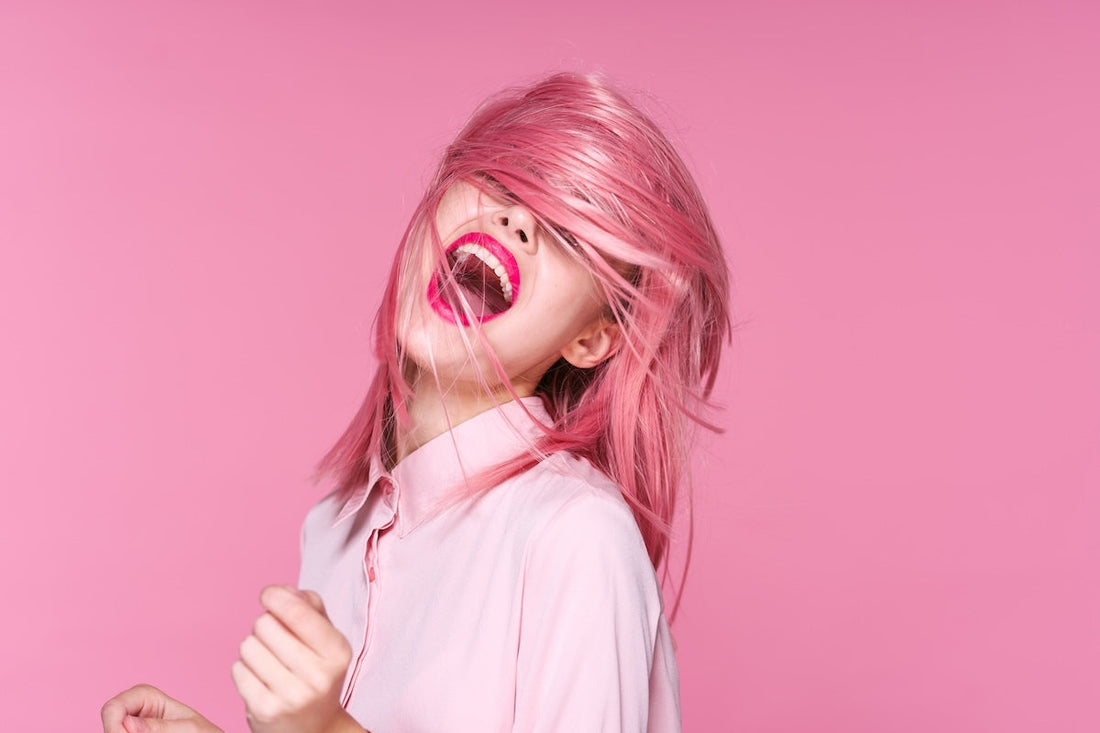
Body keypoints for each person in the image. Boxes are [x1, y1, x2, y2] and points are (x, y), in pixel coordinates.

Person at [101, 71, 730, 733]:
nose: (518, 218)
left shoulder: (577, 537)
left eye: (571, 232)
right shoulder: (334, 527)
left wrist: (326, 729)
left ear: (592, 338)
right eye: (507, 180)